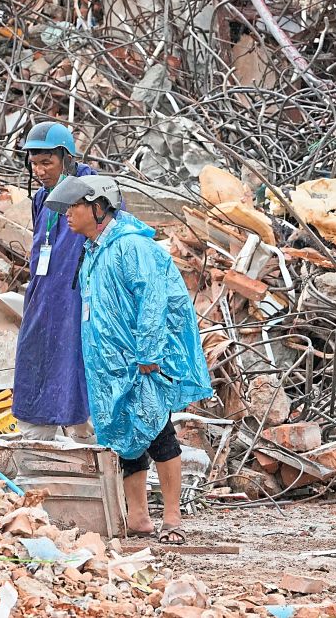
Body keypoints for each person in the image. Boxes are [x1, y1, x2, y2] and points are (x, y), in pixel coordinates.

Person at [44, 175, 213, 545]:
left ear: (98, 207)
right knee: (122, 435)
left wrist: (149, 352)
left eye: (74, 207)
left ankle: (172, 517)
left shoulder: (130, 246)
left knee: (157, 430)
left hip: (140, 361)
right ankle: (138, 517)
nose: (68, 215)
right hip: (108, 364)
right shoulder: (92, 250)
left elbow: (152, 299)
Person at [10, 122, 94, 442]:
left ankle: (92, 450)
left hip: (77, 299)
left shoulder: (92, 190)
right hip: (44, 297)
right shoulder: (41, 198)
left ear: (67, 159)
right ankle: (37, 440)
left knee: (77, 371)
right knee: (36, 363)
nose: (40, 170)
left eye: (47, 162)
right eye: (34, 163)